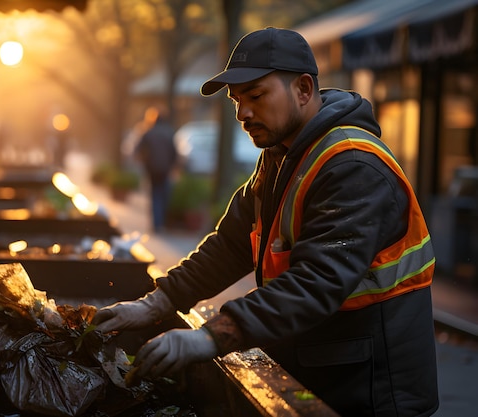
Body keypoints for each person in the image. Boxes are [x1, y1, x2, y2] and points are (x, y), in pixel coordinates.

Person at [93, 27, 438, 416]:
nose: (243, 113)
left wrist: (212, 337)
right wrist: (157, 301)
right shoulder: (281, 155)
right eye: (237, 100)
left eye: (256, 96)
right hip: (322, 372)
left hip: (373, 391)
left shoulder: (353, 166)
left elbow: (317, 281)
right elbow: (232, 245)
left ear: (304, 90)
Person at [133, 106, 179, 232]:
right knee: (164, 194)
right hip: (165, 169)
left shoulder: (148, 132)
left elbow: (137, 149)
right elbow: (174, 152)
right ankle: (161, 223)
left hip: (152, 168)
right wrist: (174, 166)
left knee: (154, 195)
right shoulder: (169, 132)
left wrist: (144, 161)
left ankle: (156, 224)